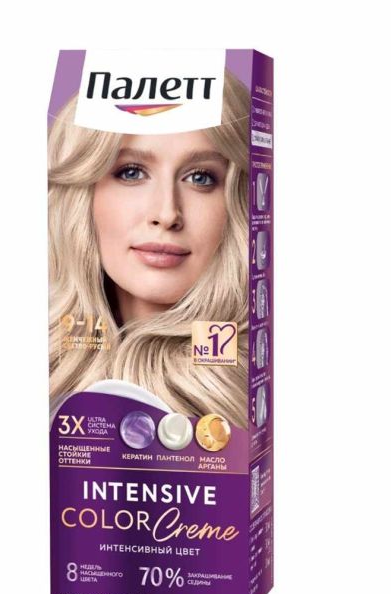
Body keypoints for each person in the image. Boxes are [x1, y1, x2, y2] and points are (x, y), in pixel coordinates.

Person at [48, 69, 250, 428]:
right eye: (131, 172)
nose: (166, 214)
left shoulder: (246, 380)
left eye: (200, 177)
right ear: (83, 196)